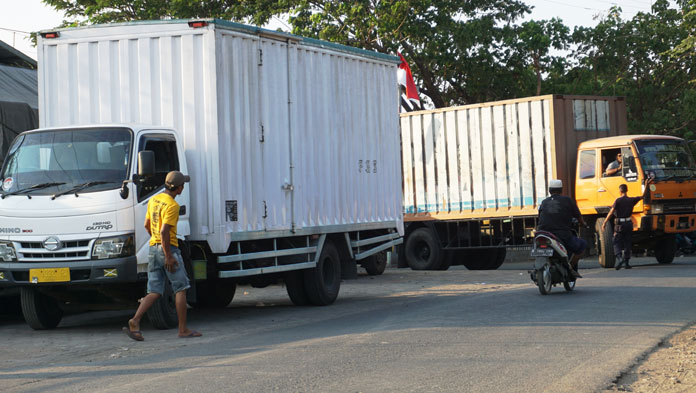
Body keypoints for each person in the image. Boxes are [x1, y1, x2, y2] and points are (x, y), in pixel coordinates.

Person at [123, 171, 201, 341]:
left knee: (154, 290)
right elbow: (165, 231)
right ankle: (183, 329)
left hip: (153, 248)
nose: (183, 188)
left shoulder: (154, 200)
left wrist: (156, 240)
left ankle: (135, 321)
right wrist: (168, 256)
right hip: (168, 249)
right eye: (183, 185)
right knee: (181, 288)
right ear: (179, 188)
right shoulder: (172, 206)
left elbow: (147, 224)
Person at [537, 179, 587, 278]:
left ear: (549, 190)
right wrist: (583, 224)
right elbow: (578, 216)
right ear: (561, 190)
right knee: (582, 246)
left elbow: (540, 217)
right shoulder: (568, 200)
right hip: (562, 235)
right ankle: (570, 268)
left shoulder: (543, 202)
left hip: (542, 234)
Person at [601, 177, 653, 270]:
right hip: (628, 223)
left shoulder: (618, 200)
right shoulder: (631, 200)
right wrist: (646, 184)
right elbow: (643, 196)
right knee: (627, 242)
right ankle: (627, 263)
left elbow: (611, 212)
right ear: (627, 190)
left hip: (619, 225)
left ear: (620, 191)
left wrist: (604, 222)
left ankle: (620, 258)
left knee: (616, 242)